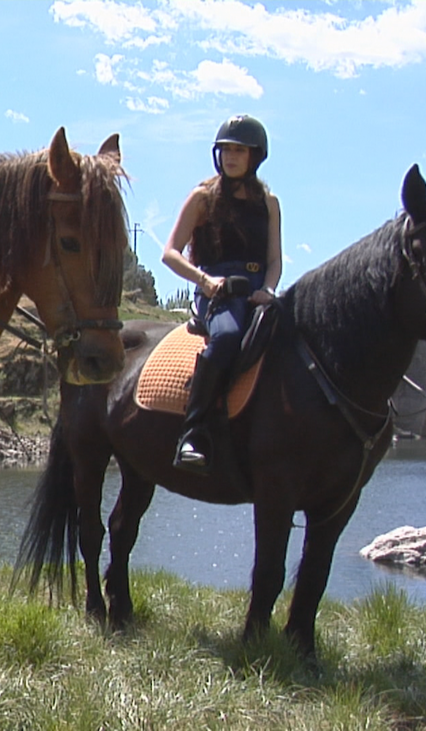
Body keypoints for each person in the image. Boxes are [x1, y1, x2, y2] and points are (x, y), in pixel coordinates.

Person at [161, 114, 282, 472]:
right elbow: (170, 253)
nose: (231, 157)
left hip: (257, 291)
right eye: (226, 150)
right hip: (217, 291)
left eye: (239, 151)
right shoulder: (203, 198)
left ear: (254, 156)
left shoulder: (269, 203)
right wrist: (205, 281)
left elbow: (274, 260)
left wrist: (269, 289)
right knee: (228, 336)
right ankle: (193, 433)